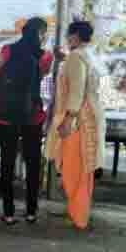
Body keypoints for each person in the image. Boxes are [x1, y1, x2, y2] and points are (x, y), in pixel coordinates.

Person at [0, 17, 54, 226]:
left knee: (7, 163)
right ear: (41, 34)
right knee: (33, 162)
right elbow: (41, 76)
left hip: (6, 116)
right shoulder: (45, 56)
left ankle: (8, 213)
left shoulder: (7, 50)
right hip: (32, 116)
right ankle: (31, 212)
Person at [46, 21, 105, 230]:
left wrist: (68, 119)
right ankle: (79, 211)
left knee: (73, 168)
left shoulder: (76, 57)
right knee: (82, 169)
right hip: (88, 117)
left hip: (78, 119)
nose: (67, 39)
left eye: (68, 36)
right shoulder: (87, 55)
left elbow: (77, 89)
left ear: (74, 37)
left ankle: (78, 214)